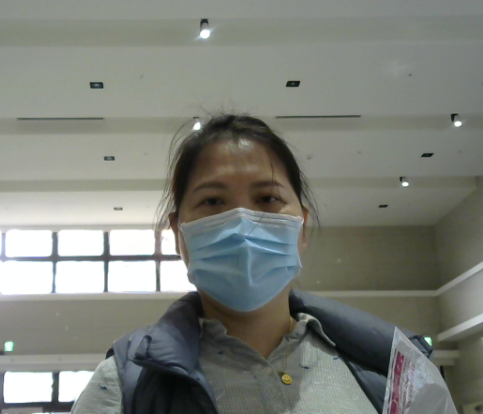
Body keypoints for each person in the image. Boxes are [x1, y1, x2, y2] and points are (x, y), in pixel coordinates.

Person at [72, 114, 432, 414]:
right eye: (213, 201)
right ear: (179, 233)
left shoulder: (395, 374)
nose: (242, 223)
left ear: (302, 226)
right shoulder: (121, 385)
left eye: (267, 198)